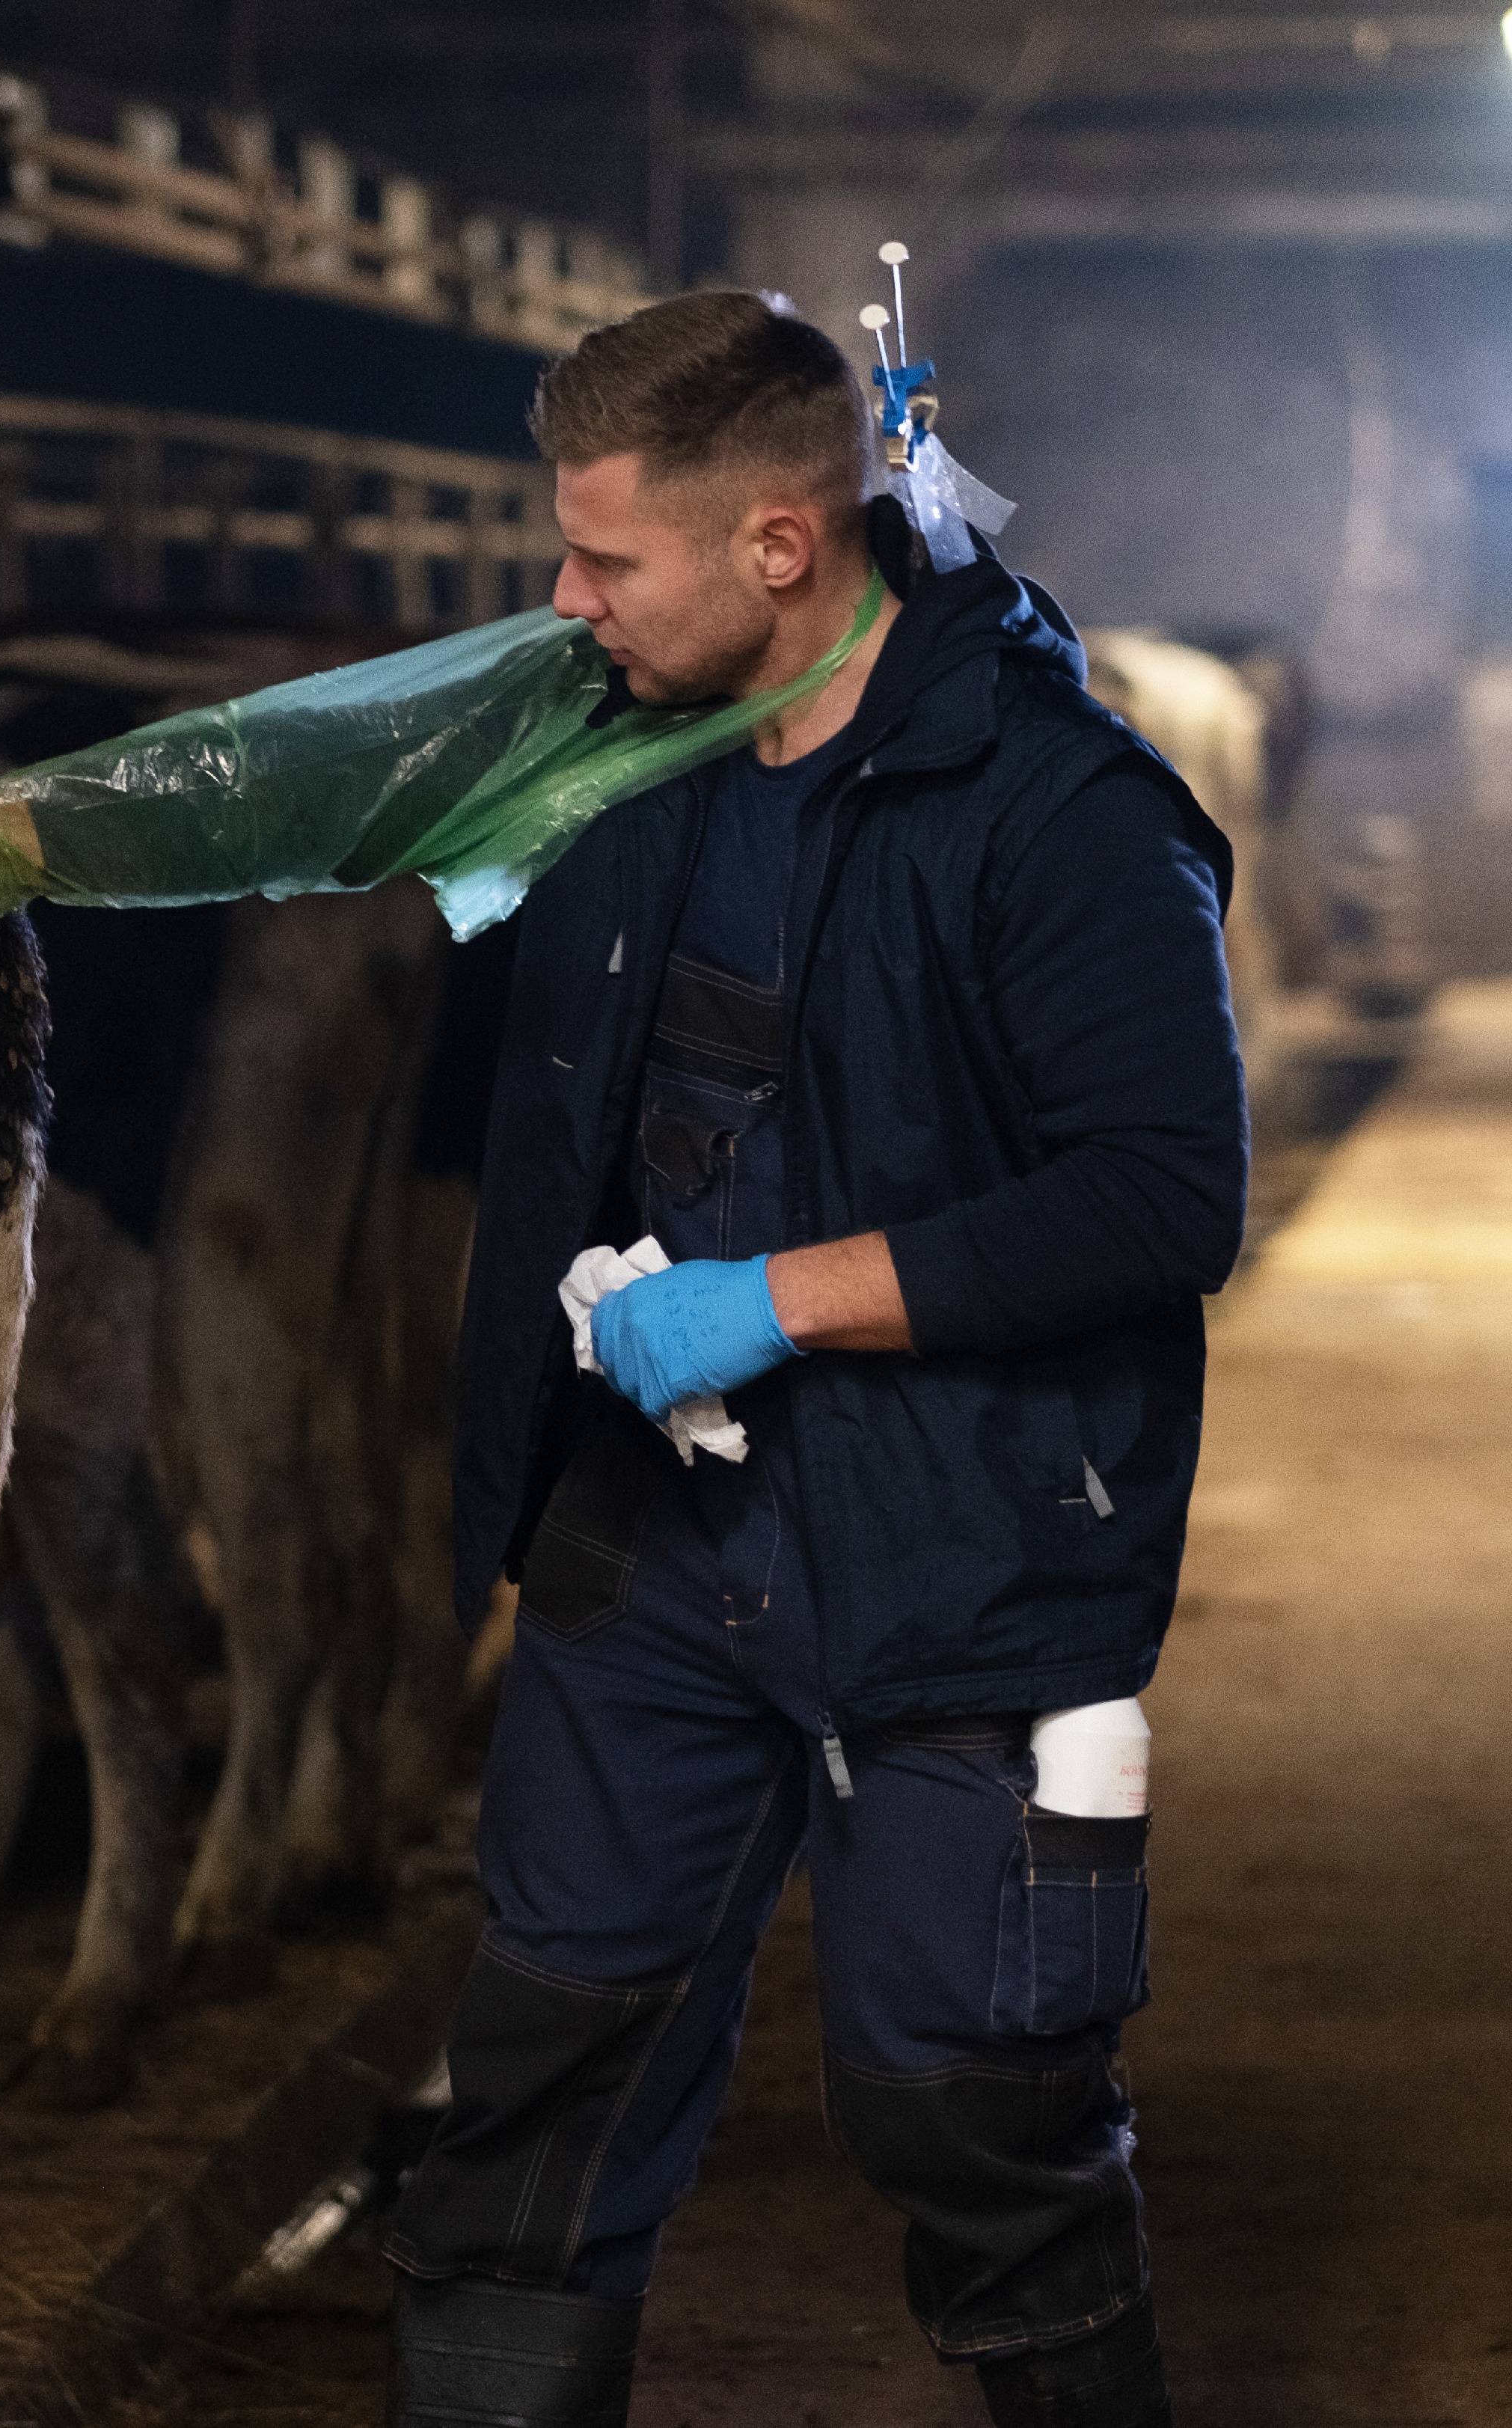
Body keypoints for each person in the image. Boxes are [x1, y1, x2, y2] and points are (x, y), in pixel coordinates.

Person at [378, 292, 1242, 2427]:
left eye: (602, 562)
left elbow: (1159, 1198)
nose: (563, 605)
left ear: (779, 544)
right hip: (649, 1550)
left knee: (977, 2123)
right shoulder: (629, 765)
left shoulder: (1054, 807)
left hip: (952, 1548)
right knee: (533, 2108)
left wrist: (777, 1296)